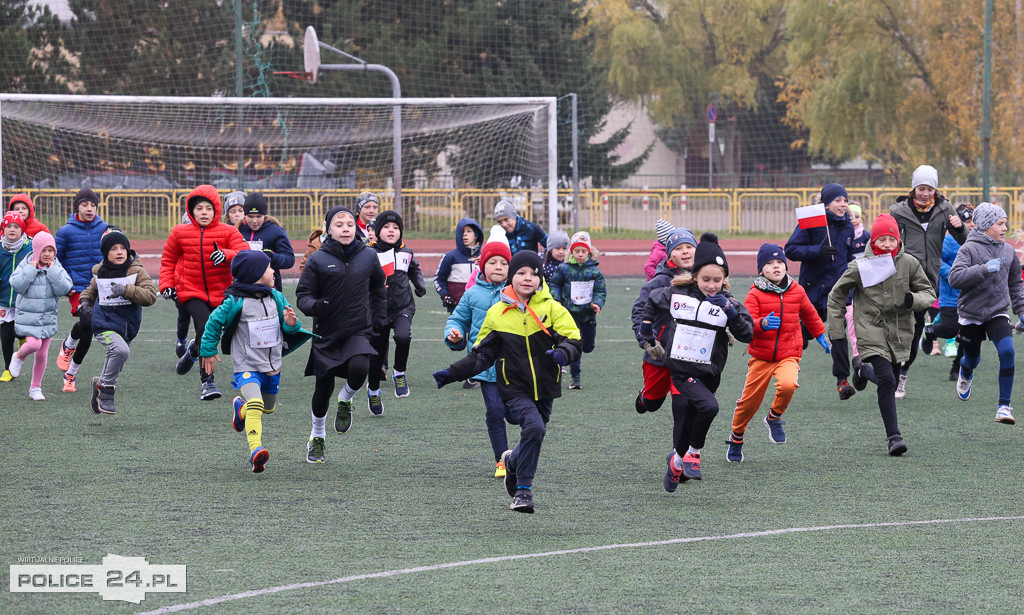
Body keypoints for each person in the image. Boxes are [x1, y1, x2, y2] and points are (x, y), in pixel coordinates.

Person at [433, 250, 582, 513]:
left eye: (533, 274)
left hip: (546, 387)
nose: (527, 279)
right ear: (511, 278)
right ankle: (523, 491)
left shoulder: (552, 309)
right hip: (513, 387)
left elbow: (573, 339)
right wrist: (451, 373)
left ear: (540, 280)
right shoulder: (497, 313)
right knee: (534, 428)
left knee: (534, 433)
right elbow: (482, 355)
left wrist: (563, 353)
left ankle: (513, 461)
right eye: (521, 273)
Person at [640, 234, 753, 491]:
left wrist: (731, 313)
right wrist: (646, 333)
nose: (711, 285)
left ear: (724, 279)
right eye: (705, 280)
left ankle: (678, 461)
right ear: (694, 276)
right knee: (703, 408)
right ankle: (693, 454)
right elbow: (652, 301)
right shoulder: (678, 292)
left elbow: (748, 333)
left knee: (692, 417)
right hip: (681, 369)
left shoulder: (728, 302)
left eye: (717, 280)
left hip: (709, 373)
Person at [826, 213, 935, 456]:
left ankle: (863, 370)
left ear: (898, 240)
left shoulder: (908, 262)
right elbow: (836, 296)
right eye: (882, 239)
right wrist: (836, 331)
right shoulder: (859, 266)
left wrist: (913, 299)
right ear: (873, 240)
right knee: (887, 379)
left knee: (891, 380)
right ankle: (894, 438)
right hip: (870, 328)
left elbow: (928, 292)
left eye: (891, 239)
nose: (887, 244)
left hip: (899, 330)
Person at [199, 250, 311, 473]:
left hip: (272, 366)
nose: (273, 271)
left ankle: (240, 410)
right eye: (269, 268)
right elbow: (213, 323)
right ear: (255, 273)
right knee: (257, 405)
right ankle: (256, 451)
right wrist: (208, 351)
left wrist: (291, 323)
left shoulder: (276, 296)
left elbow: (290, 327)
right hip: (246, 365)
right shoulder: (235, 302)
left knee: (267, 408)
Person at [295, 205, 386, 462]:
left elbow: (379, 288)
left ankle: (345, 399)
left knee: (361, 368)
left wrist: (378, 316)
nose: (345, 229)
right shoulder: (318, 259)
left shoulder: (368, 256)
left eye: (348, 224)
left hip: (358, 329)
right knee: (323, 388)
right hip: (327, 332)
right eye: (339, 225)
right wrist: (317, 306)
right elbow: (303, 296)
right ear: (329, 230)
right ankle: (318, 435)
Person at [727, 244, 829, 462]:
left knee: (789, 384)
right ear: (761, 270)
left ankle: (774, 417)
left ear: (786, 265)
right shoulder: (755, 293)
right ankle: (736, 438)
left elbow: (809, 313)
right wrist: (761, 324)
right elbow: (746, 323)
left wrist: (820, 334)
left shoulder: (797, 290)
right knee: (748, 403)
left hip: (788, 353)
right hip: (761, 357)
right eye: (769, 264)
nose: (776, 267)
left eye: (779, 263)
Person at [159, 185, 250, 401]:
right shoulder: (179, 232)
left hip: (221, 292)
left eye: (208, 208)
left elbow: (244, 253)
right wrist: (166, 285)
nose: (203, 212)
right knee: (204, 325)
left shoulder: (228, 232)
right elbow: (168, 260)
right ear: (191, 211)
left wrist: (227, 255)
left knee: (215, 333)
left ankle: (192, 352)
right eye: (198, 208)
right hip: (191, 290)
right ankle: (207, 382)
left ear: (216, 210)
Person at [443, 232, 519, 478]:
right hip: (486, 366)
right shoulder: (473, 293)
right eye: (493, 262)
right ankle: (502, 459)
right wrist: (453, 335)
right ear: (482, 266)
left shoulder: (519, 292)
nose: (498, 267)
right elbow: (457, 319)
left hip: (515, 366)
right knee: (495, 411)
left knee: (515, 415)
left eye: (504, 263)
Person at [889, 165, 967, 398]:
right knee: (897, 329)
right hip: (902, 280)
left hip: (928, 283)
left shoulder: (944, 209)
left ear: (935, 189)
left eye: (929, 189)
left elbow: (963, 239)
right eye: (921, 188)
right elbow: (884, 239)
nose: (925, 193)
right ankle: (891, 374)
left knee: (915, 331)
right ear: (914, 188)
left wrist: (959, 227)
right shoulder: (898, 211)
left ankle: (902, 375)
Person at [948, 203, 1024, 425]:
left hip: (998, 312)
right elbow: (955, 278)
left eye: (1005, 223)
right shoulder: (968, 249)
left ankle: (1004, 407)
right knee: (972, 359)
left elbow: (1016, 285)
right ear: (985, 225)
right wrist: (983, 269)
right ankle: (966, 370)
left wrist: (1021, 312)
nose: (1004, 228)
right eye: (999, 224)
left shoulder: (1008, 251)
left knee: (1008, 351)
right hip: (971, 314)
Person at [785, 183, 856, 398]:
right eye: (838, 200)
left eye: (845, 200)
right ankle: (790, 359)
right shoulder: (812, 222)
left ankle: (842, 380)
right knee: (804, 333)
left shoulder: (848, 226)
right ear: (826, 203)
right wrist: (818, 250)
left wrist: (852, 287)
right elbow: (791, 250)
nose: (843, 204)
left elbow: (850, 258)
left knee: (838, 334)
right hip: (811, 290)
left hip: (837, 292)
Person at [77, 229, 157, 415]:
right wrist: (84, 303)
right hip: (103, 322)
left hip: (128, 326)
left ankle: (99, 383)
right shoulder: (100, 272)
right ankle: (106, 393)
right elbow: (90, 291)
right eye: (114, 248)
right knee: (120, 350)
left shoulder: (137, 271)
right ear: (106, 253)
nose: (119, 252)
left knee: (118, 358)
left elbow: (150, 297)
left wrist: (126, 290)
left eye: (123, 248)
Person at [630, 227, 697, 415]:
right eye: (678, 248)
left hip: (689, 355)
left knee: (684, 404)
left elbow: (721, 300)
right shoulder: (659, 282)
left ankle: (684, 445)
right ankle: (645, 397)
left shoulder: (705, 277)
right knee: (652, 403)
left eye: (689, 246)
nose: (684, 251)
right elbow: (639, 311)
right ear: (669, 254)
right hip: (660, 354)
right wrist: (646, 341)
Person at [365, 210, 426, 414]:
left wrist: (419, 285)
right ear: (378, 231)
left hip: (402, 307)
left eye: (396, 228)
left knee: (403, 336)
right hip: (378, 311)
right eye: (386, 227)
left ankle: (399, 372)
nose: (391, 231)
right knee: (376, 356)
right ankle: (373, 392)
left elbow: (414, 270)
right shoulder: (369, 254)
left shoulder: (406, 252)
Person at [54, 188, 109, 393]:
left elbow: (117, 250)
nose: (89, 208)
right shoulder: (65, 232)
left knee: (88, 331)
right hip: (77, 287)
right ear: (77, 206)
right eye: (85, 204)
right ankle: (68, 344)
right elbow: (56, 262)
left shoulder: (105, 228)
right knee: (86, 321)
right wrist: (65, 284)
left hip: (100, 287)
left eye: (93, 205)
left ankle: (70, 375)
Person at [7, 231, 73, 400]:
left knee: (42, 355)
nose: (47, 254)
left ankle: (35, 388)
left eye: (50, 250)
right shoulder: (27, 263)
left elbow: (64, 288)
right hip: (29, 318)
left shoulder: (56, 266)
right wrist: (31, 268)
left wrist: (53, 272)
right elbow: (17, 284)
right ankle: (19, 355)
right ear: (37, 250)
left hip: (47, 319)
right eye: (44, 250)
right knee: (34, 344)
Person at [922, 204, 974, 380]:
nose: (971, 225)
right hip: (951, 296)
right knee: (951, 329)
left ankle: (956, 368)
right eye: (968, 222)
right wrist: (954, 274)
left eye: (973, 222)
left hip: (971, 297)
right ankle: (929, 332)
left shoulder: (977, 241)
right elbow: (938, 262)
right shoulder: (949, 241)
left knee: (969, 334)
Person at [549, 231, 606, 390]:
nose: (580, 254)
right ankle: (576, 378)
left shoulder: (595, 271)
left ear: (589, 252)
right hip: (570, 314)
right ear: (571, 252)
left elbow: (600, 291)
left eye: (583, 251)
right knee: (575, 344)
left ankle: (576, 354)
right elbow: (555, 285)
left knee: (587, 346)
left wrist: (597, 303)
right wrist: (557, 299)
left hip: (587, 315)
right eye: (577, 251)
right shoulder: (564, 269)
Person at [235, 192, 295, 292]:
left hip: (268, 291)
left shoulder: (275, 230)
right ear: (245, 215)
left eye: (258, 216)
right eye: (250, 216)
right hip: (242, 289)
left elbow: (289, 260)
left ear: (264, 215)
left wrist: (271, 256)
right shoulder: (237, 230)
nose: (254, 221)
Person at [0, 212, 33, 382]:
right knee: (6, 334)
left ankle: (22, 339)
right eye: (8, 226)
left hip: (25, 298)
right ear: (3, 229)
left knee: (20, 330)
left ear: (23, 229)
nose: (12, 230)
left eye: (16, 226)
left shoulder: (31, 247)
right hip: (4, 299)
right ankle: (8, 369)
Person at [843, 202, 871, 372]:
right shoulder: (842, 236)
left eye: (857, 216)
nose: (853, 220)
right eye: (849, 216)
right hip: (848, 286)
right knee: (850, 318)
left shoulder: (867, 236)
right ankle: (856, 353)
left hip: (865, 285)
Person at [434, 217, 482, 313]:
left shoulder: (484, 257)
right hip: (457, 308)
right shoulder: (450, 257)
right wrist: (445, 295)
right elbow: (438, 279)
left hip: (478, 308)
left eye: (469, 231)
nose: (465, 234)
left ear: (476, 235)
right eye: (462, 231)